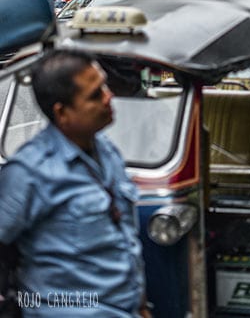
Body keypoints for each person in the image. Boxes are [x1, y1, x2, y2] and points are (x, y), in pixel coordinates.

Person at [0, 49, 152, 318]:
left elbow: (125, 239)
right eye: (95, 95)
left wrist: (139, 303)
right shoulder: (30, 172)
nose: (109, 97)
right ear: (62, 113)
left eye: (104, 85)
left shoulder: (107, 151)